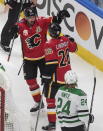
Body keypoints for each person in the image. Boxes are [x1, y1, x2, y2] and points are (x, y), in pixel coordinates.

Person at [10, 7, 70, 113]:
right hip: (28, 59)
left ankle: (52, 102)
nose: (32, 19)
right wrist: (13, 32)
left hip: (43, 58)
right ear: (25, 17)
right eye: (30, 17)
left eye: (33, 16)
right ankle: (38, 102)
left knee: (49, 81)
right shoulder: (20, 25)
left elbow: (54, 21)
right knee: (30, 81)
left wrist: (60, 16)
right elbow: (14, 31)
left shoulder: (41, 21)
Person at [41, 23, 77, 130]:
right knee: (69, 101)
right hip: (68, 78)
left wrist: (45, 76)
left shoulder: (48, 44)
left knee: (50, 100)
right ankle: (72, 124)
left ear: (50, 33)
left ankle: (52, 124)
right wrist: (71, 40)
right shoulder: (65, 39)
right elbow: (74, 48)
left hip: (56, 79)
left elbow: (52, 64)